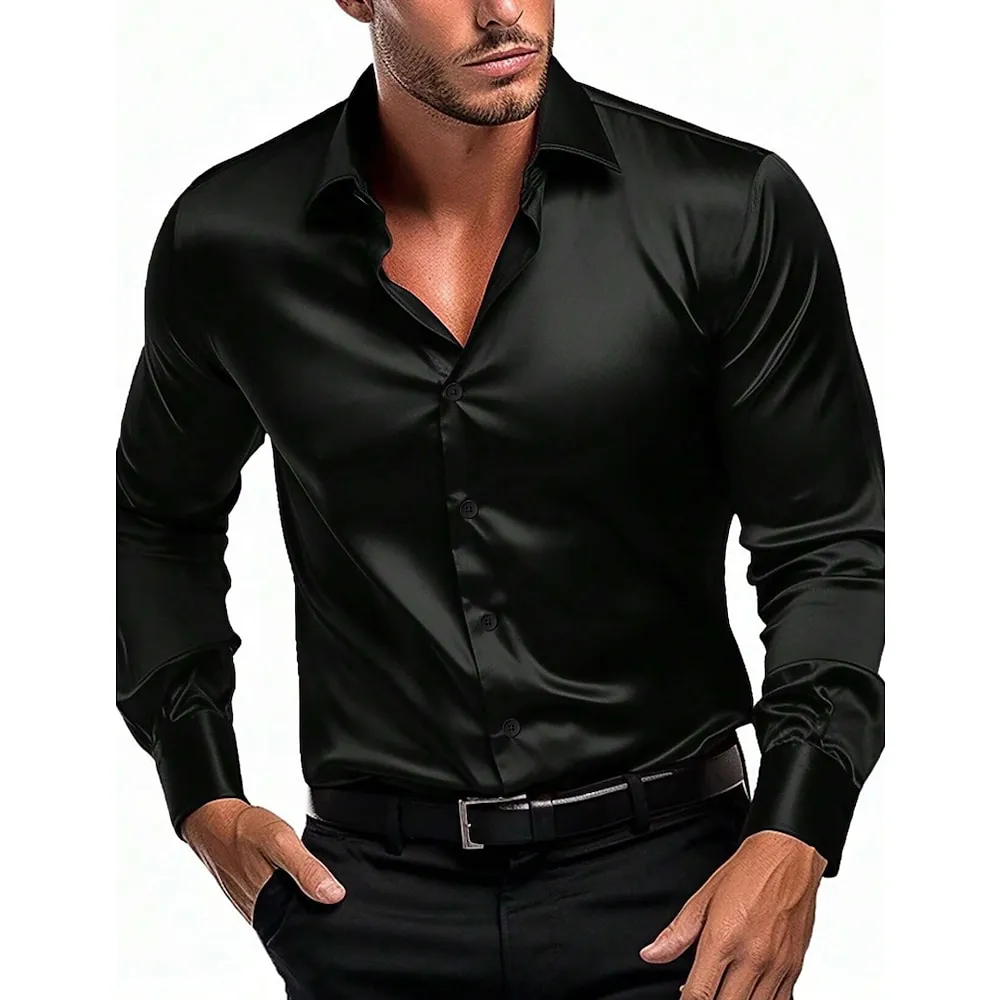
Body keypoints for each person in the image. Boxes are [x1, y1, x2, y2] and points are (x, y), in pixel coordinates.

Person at [116, 2, 885, 997]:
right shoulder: (232, 241)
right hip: (370, 912)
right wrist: (202, 795)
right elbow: (162, 516)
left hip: (673, 907)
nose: (503, 11)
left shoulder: (724, 210)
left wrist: (795, 831)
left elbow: (823, 541)